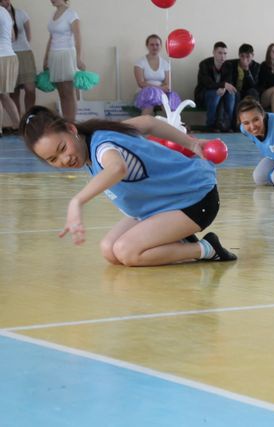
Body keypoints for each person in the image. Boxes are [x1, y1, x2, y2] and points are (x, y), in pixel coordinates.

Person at [18, 105, 236, 266]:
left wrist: (77, 202)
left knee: (127, 252)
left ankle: (207, 249)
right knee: (109, 250)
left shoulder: (102, 146)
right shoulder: (95, 139)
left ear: (71, 129)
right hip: (162, 206)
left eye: (62, 148)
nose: (64, 159)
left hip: (196, 199)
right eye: (53, 159)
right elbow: (148, 122)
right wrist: (191, 143)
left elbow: (117, 168)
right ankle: (179, 237)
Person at [44, 0, 85, 121]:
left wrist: (78, 58)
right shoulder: (53, 14)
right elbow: (51, 38)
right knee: (61, 92)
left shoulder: (71, 14)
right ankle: (66, 121)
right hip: (54, 55)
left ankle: (71, 123)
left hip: (67, 55)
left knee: (68, 92)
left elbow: (78, 37)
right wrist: (46, 58)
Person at [133, 34, 181, 116]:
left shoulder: (165, 63)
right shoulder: (140, 62)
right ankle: (145, 122)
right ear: (147, 46)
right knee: (151, 94)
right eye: (152, 45)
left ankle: (172, 121)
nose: (154, 47)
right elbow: (141, 83)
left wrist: (160, 90)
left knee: (171, 98)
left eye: (157, 44)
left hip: (162, 93)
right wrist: (159, 88)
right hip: (145, 93)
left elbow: (168, 85)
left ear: (160, 46)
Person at [194, 41, 235, 132]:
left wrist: (223, 87)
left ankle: (229, 125)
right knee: (216, 94)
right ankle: (210, 125)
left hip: (222, 94)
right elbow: (208, 83)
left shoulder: (228, 66)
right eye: (220, 53)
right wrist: (223, 85)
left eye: (225, 53)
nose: (222, 56)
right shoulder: (204, 64)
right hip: (204, 95)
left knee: (231, 94)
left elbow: (228, 82)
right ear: (213, 52)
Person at [6, 0, 36, 115]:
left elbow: (29, 36)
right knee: (14, 91)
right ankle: (18, 121)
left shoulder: (21, 13)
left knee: (30, 89)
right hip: (9, 55)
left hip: (24, 53)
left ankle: (29, 117)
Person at [221, 43, 261, 121]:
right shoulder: (231, 64)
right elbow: (228, 80)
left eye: (248, 56)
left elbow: (254, 86)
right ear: (239, 55)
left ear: (252, 55)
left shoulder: (256, 66)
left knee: (253, 92)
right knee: (234, 93)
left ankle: (252, 120)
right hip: (235, 90)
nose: (245, 59)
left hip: (248, 91)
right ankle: (235, 122)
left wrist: (247, 71)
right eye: (242, 56)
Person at [0, 0, 20, 133]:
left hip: (1, 57)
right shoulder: (6, 13)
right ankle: (18, 125)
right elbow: (13, 37)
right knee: (4, 95)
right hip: (10, 56)